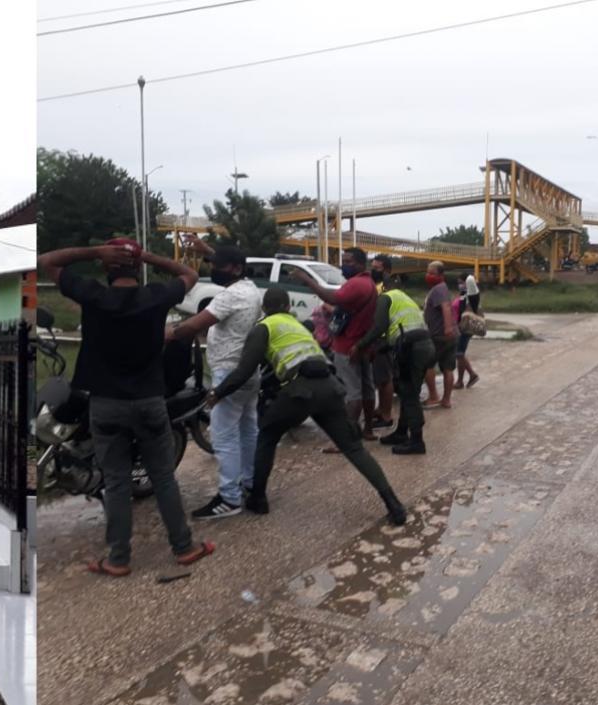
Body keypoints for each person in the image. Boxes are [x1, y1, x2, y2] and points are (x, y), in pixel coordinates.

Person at [39, 238, 214, 576]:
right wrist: (145, 255)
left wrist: (93, 252)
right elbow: (189, 274)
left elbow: (48, 259)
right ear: (138, 269)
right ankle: (185, 548)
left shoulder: (93, 294)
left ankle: (118, 559)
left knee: (116, 481)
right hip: (150, 401)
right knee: (163, 477)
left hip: (106, 405)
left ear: (106, 267)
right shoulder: (155, 297)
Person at [212, 287, 407, 525]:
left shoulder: (263, 327)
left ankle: (258, 498)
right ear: (288, 307)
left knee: (267, 435)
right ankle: (393, 504)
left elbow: (244, 371)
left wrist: (218, 393)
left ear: (264, 309)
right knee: (354, 449)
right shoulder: (299, 326)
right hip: (331, 387)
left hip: (299, 391)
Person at [166, 238, 263, 519]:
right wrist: (208, 251)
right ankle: (250, 483)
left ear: (234, 269)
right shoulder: (250, 289)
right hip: (248, 370)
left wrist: (156, 334)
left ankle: (229, 499)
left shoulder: (229, 297)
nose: (213, 270)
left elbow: (191, 327)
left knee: (224, 437)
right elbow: (230, 263)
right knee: (247, 431)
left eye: (218, 266)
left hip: (228, 374)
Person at [294, 247, 379, 447]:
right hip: (363, 344)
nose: (344, 265)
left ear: (360, 263)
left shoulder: (357, 283)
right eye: (343, 260)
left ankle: (347, 439)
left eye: (348, 261)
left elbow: (332, 298)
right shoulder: (368, 283)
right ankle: (367, 430)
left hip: (348, 345)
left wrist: (308, 280)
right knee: (367, 389)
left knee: (353, 392)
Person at [355, 278, 435, 455]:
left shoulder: (384, 298)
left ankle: (416, 441)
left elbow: (379, 327)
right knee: (409, 392)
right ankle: (401, 433)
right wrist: (383, 348)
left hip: (410, 347)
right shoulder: (403, 297)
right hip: (424, 344)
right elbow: (400, 329)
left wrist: (360, 346)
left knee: (409, 394)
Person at [422, 262, 458, 409]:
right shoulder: (442, 288)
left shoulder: (438, 289)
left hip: (439, 335)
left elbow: (446, 308)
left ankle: (433, 396)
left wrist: (448, 328)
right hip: (448, 335)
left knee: (427, 365)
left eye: (432, 273)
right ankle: (446, 400)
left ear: (440, 275)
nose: (428, 276)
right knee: (448, 367)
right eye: (427, 272)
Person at [369, 255, 396, 430]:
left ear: (386, 270)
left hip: (383, 338)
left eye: (377, 268)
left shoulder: (388, 287)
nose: (373, 270)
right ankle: (381, 410)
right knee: (380, 378)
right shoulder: (379, 285)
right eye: (372, 267)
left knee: (384, 378)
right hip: (378, 337)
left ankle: (386, 415)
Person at [453, 282, 481, 390]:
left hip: (463, 329)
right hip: (462, 328)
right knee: (460, 354)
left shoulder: (469, 297)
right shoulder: (463, 296)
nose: (459, 284)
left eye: (461, 282)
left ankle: (472, 374)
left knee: (459, 354)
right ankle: (460, 381)